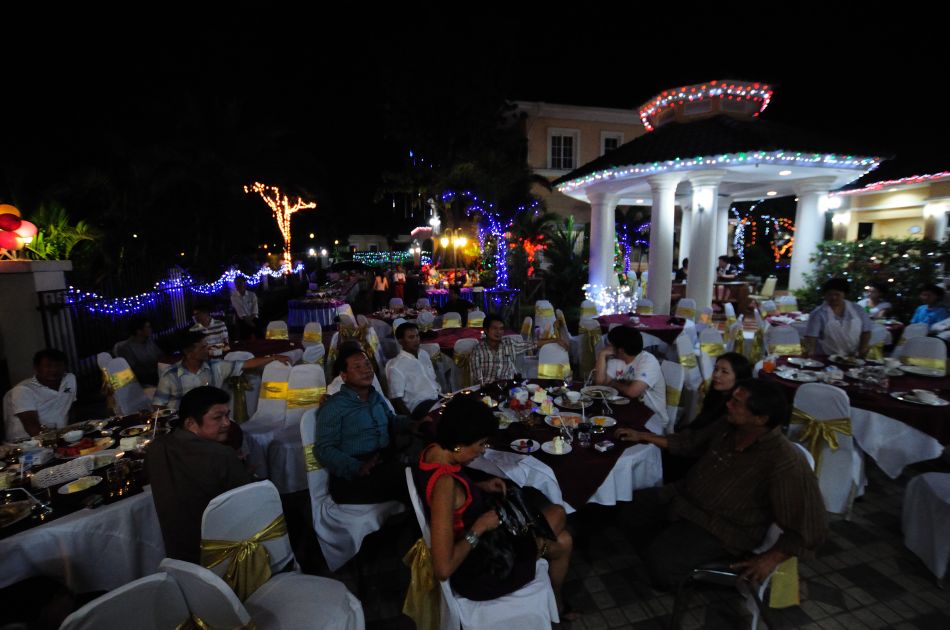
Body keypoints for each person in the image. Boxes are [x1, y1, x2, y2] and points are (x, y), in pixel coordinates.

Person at [615, 378, 827, 590]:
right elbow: (689, 442)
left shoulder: (784, 462)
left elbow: (811, 526)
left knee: (661, 565)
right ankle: (668, 548)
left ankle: (713, 573)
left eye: (736, 403)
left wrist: (770, 559)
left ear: (760, 419)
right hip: (685, 499)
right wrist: (642, 436)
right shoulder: (729, 425)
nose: (728, 405)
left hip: (722, 527)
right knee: (631, 509)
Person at [413, 394, 576, 618]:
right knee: (558, 515)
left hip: (486, 547)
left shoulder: (432, 451)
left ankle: (555, 604)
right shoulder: (445, 486)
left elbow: (453, 501)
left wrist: (479, 486)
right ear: (459, 445)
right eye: (480, 444)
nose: (482, 450)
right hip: (482, 572)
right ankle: (554, 604)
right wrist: (480, 526)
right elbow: (443, 569)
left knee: (563, 539)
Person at [146, 386, 254, 563]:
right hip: (222, 555)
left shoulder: (156, 448)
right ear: (190, 423)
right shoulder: (221, 455)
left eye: (227, 415)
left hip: (177, 556)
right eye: (218, 418)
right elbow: (248, 505)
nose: (227, 423)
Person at [315, 345, 426, 504]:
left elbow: (390, 419)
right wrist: (357, 467)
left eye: (367, 364)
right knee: (417, 481)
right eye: (357, 367)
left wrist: (412, 424)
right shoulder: (334, 406)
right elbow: (324, 449)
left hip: (384, 462)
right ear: (344, 376)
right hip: (354, 478)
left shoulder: (375, 397)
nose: (366, 370)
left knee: (425, 468)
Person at [663, 352, 752, 482]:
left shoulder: (734, 411)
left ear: (739, 378)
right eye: (716, 369)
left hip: (704, 461)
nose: (716, 375)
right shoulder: (716, 397)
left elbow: (697, 444)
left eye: (724, 372)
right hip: (693, 447)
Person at [152, 331, 289, 411]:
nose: (208, 350)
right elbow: (158, 407)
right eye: (203, 347)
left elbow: (246, 364)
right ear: (189, 353)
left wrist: (273, 357)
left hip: (211, 422)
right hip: (182, 426)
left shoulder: (215, 367)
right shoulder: (170, 375)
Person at [594, 326, 668, 426]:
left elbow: (632, 392)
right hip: (626, 411)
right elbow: (600, 384)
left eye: (610, 345)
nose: (607, 347)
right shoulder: (617, 360)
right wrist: (602, 355)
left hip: (652, 419)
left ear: (620, 350)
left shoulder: (648, 361)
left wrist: (614, 383)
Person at [469, 314, 567, 384]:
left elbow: (533, 344)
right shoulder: (477, 351)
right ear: (486, 330)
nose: (499, 332)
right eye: (495, 328)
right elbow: (477, 379)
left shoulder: (508, 343)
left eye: (501, 329)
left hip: (510, 387)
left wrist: (556, 340)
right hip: (489, 390)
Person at [3, 349, 76, 441]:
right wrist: (57, 442)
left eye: (58, 366)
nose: (54, 370)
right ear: (36, 368)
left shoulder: (69, 379)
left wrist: (73, 432)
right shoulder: (23, 390)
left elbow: (70, 406)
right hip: (26, 442)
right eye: (48, 366)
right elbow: (31, 426)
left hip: (61, 435)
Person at [803, 277, 872, 358]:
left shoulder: (858, 310)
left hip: (852, 357)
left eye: (837, 294)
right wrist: (810, 353)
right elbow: (811, 337)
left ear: (844, 294)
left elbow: (866, 331)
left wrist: (863, 349)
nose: (833, 297)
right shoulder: (818, 313)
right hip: (826, 356)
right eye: (829, 294)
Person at [386, 322, 442, 419]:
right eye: (411, 337)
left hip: (438, 398)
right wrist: (412, 422)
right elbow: (396, 400)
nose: (416, 340)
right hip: (421, 406)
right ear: (401, 341)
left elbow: (432, 379)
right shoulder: (396, 366)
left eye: (417, 336)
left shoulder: (424, 354)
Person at [114, 317, 164, 385]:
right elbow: (134, 370)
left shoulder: (149, 341)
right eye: (148, 327)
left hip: (157, 374)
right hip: (142, 382)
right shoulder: (125, 347)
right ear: (139, 331)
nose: (151, 329)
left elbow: (160, 356)